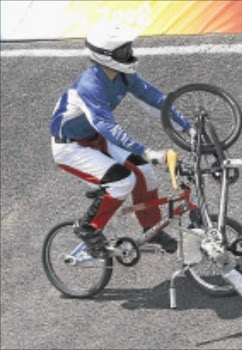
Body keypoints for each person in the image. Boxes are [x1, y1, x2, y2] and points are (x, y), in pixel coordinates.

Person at [49, 21, 192, 256]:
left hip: (94, 137)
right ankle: (87, 228)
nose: (129, 54)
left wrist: (188, 128)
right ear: (106, 55)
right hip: (71, 148)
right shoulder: (89, 86)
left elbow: (155, 99)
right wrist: (145, 151)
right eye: (123, 51)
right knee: (122, 181)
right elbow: (108, 127)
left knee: (145, 172)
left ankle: (151, 229)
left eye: (128, 48)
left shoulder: (123, 76)